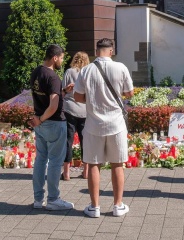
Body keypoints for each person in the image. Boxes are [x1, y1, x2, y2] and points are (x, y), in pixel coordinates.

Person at [74, 38, 134, 217]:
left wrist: (92, 100)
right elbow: (129, 93)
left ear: (97, 50)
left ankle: (94, 207)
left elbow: (77, 97)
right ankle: (117, 205)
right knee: (117, 164)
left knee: (93, 164)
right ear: (111, 50)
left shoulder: (86, 70)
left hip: (93, 124)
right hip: (116, 123)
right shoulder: (121, 67)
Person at [30, 44, 74, 211]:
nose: (62, 61)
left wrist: (62, 92)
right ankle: (53, 199)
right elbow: (54, 106)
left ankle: (38, 199)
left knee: (40, 160)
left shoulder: (36, 72)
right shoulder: (53, 77)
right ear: (55, 57)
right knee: (55, 162)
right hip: (53, 122)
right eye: (62, 58)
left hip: (40, 124)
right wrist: (41, 119)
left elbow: (48, 99)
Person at [61, 51, 90, 180]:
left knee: (68, 140)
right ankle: (86, 172)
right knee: (86, 141)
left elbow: (63, 90)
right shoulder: (89, 72)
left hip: (70, 109)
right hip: (85, 110)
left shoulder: (69, 72)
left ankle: (66, 173)